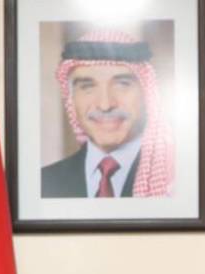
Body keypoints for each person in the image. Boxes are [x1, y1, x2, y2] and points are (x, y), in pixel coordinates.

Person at [41, 30, 174, 199]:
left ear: (146, 93)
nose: (105, 105)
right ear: (71, 98)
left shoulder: (176, 180)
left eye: (122, 84)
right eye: (87, 87)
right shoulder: (44, 183)